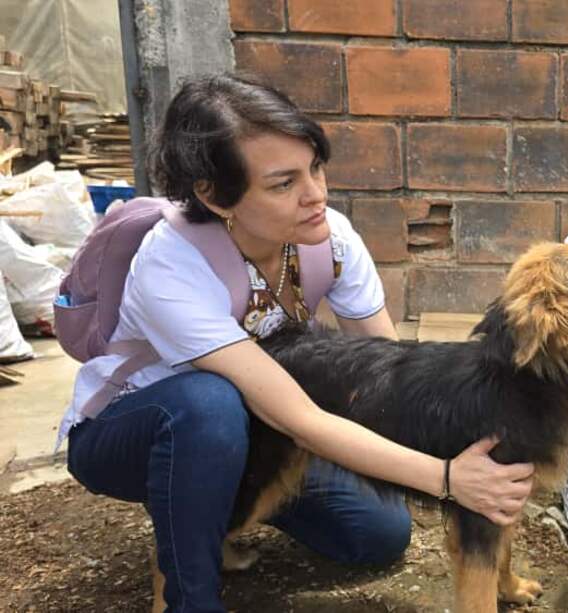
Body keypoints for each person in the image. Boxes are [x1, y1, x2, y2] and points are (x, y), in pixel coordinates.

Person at [59, 74, 534, 612]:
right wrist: (448, 479)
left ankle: (231, 507)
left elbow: (391, 372)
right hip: (136, 432)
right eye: (283, 184)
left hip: (264, 429)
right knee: (207, 407)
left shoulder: (328, 237)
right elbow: (297, 418)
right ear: (214, 196)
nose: (317, 195)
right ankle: (182, 591)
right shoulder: (172, 264)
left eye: (315, 168)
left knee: (377, 535)